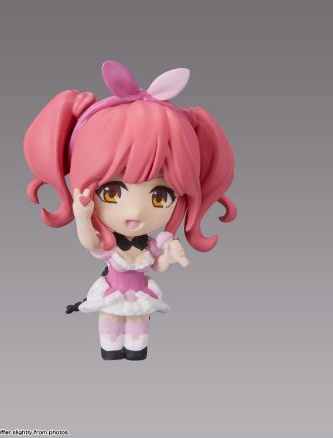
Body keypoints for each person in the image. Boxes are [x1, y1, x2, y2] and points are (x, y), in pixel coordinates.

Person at [23, 59, 237, 361]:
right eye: (112, 192)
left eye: (160, 196)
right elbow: (90, 241)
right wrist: (82, 217)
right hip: (112, 293)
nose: (135, 210)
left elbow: (158, 266)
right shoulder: (109, 246)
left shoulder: (151, 244)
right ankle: (110, 348)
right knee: (111, 319)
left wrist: (170, 258)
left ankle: (136, 349)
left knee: (138, 322)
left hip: (140, 295)